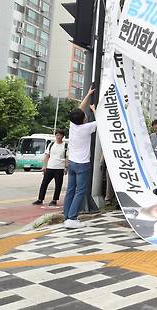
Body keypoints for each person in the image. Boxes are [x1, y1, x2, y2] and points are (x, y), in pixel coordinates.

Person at [63, 87, 96, 229]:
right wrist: (94, 109)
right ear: (83, 119)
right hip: (82, 165)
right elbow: (102, 120)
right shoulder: (86, 128)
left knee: (70, 189)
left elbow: (79, 109)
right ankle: (72, 218)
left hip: (72, 163)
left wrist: (88, 94)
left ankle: (67, 215)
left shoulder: (73, 125)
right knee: (80, 191)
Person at [33, 129, 67, 206]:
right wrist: (44, 166)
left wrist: (66, 167)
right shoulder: (51, 145)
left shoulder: (65, 146)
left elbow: (67, 157)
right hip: (50, 166)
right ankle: (40, 199)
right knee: (44, 183)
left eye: (60, 135)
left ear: (62, 136)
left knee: (58, 185)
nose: (58, 137)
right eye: (57, 135)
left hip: (60, 167)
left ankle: (54, 200)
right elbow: (47, 155)